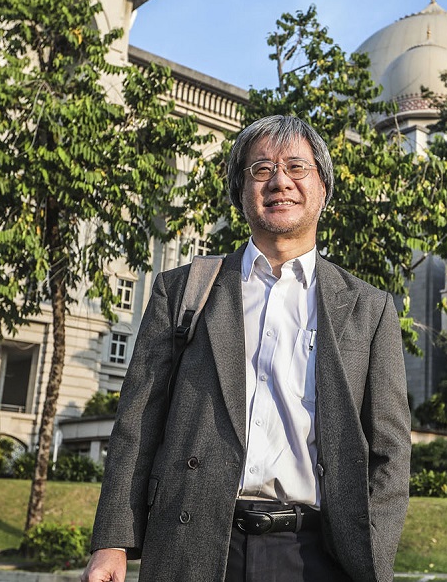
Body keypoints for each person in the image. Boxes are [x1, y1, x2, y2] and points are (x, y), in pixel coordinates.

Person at [81, 115, 411, 582]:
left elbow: (390, 449)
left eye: (298, 167)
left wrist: (372, 555)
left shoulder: (368, 309)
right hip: (193, 545)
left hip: (316, 555)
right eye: (261, 170)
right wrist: (111, 543)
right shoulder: (182, 292)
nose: (280, 182)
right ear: (241, 191)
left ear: (323, 189)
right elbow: (137, 423)